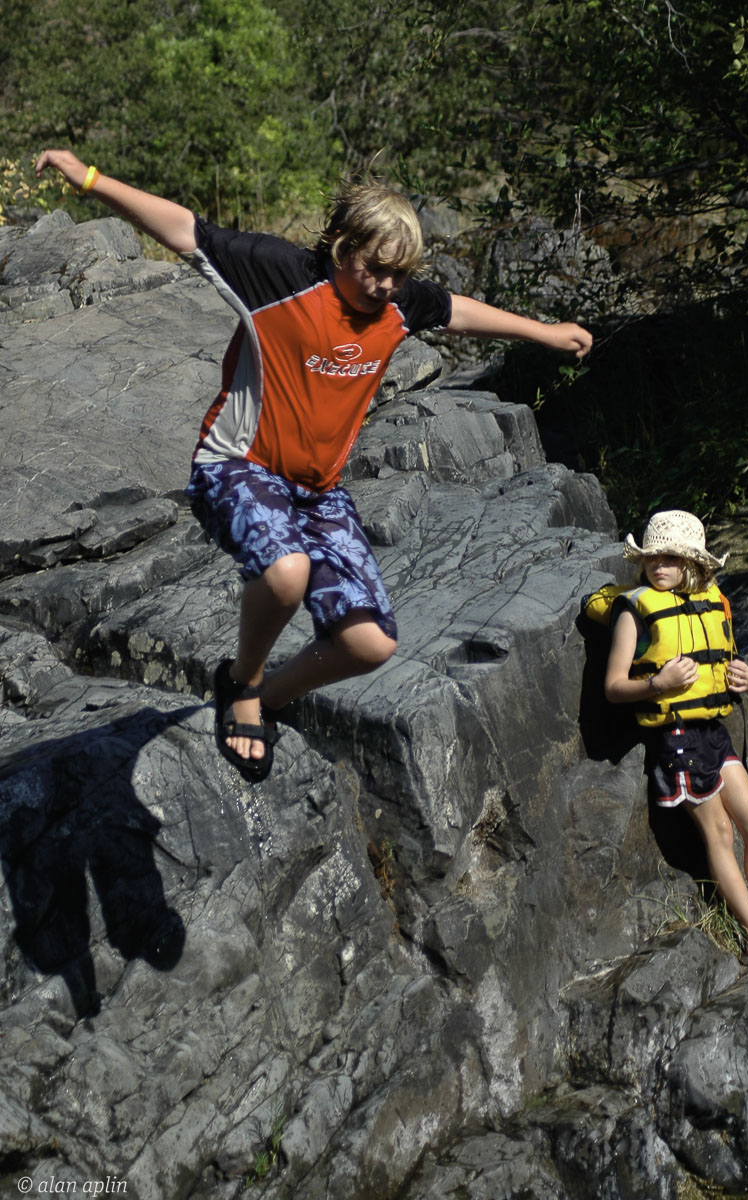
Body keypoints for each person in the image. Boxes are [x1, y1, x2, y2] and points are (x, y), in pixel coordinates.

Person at [35, 148, 593, 782]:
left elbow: (458, 310)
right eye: (374, 269)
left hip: (317, 493)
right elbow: (183, 228)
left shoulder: (399, 303)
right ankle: (242, 684)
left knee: (369, 643)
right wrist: (90, 179)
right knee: (286, 572)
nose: (385, 286)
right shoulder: (279, 274)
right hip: (235, 467)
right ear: (341, 247)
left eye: (398, 275)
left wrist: (546, 332)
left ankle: (270, 698)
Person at [602, 509, 748, 964]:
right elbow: (613, 687)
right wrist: (659, 684)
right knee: (720, 831)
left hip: (712, 731)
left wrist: (747, 679)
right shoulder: (635, 611)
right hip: (676, 737)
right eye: (653, 556)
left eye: (671, 557)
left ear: (693, 563)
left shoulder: (711, 601)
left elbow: (727, 660)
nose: (659, 565)